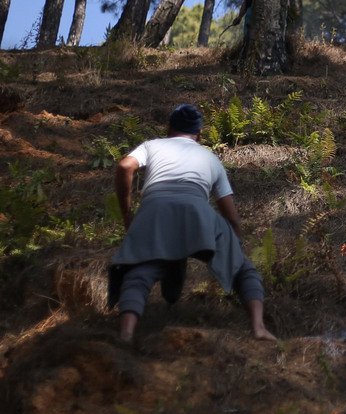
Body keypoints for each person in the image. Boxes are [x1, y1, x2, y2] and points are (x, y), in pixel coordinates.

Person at [107, 104, 277, 343]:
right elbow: (229, 212)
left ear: (169, 129)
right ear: (199, 134)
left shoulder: (152, 145)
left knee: (140, 273)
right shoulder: (210, 157)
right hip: (197, 211)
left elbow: (125, 165)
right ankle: (258, 328)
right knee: (243, 269)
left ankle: (126, 333)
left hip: (154, 211)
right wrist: (235, 245)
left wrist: (128, 216)